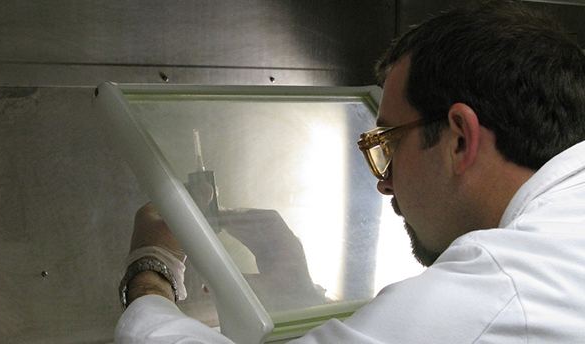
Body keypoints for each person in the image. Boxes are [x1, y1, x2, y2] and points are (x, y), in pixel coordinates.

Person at [115, 0, 585, 342]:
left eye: (388, 145)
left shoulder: (504, 284)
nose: (383, 182)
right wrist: (303, 295)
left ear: (460, 138)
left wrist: (151, 269)